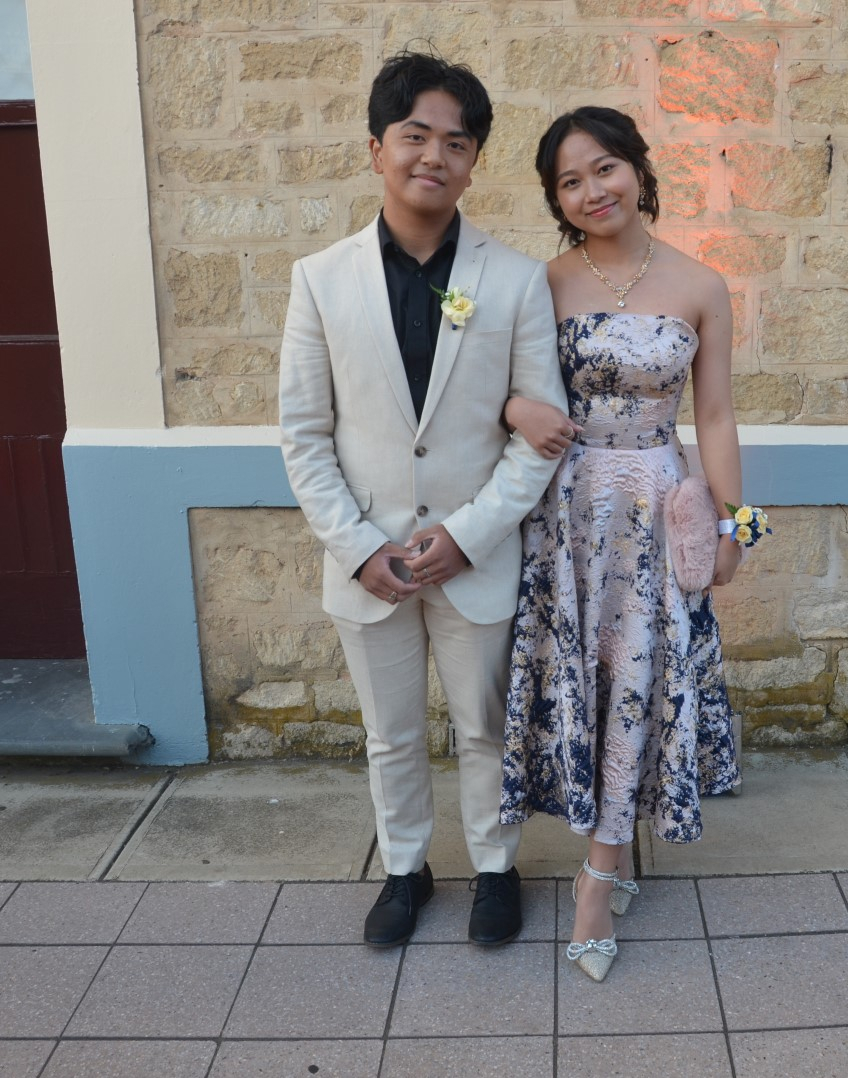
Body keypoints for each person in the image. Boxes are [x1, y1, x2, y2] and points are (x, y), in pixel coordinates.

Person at [279, 51, 567, 949]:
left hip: (475, 555)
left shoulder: (515, 280)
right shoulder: (320, 279)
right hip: (368, 559)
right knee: (391, 733)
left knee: (485, 727)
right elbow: (304, 435)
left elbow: (538, 436)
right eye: (414, 136)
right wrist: (359, 546)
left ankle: (495, 868)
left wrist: (470, 535)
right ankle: (405, 868)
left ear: (474, 162)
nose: (433, 156)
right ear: (377, 149)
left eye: (456, 142)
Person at [499, 107, 743, 981]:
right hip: (567, 513)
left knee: (643, 676)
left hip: (657, 506)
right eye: (569, 181)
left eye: (604, 168)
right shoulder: (540, 284)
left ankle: (597, 879)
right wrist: (515, 409)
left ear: (638, 168)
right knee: (592, 679)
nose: (591, 190)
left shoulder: (702, 284)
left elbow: (716, 415)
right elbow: (490, 389)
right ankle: (610, 853)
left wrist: (737, 526)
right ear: (555, 199)